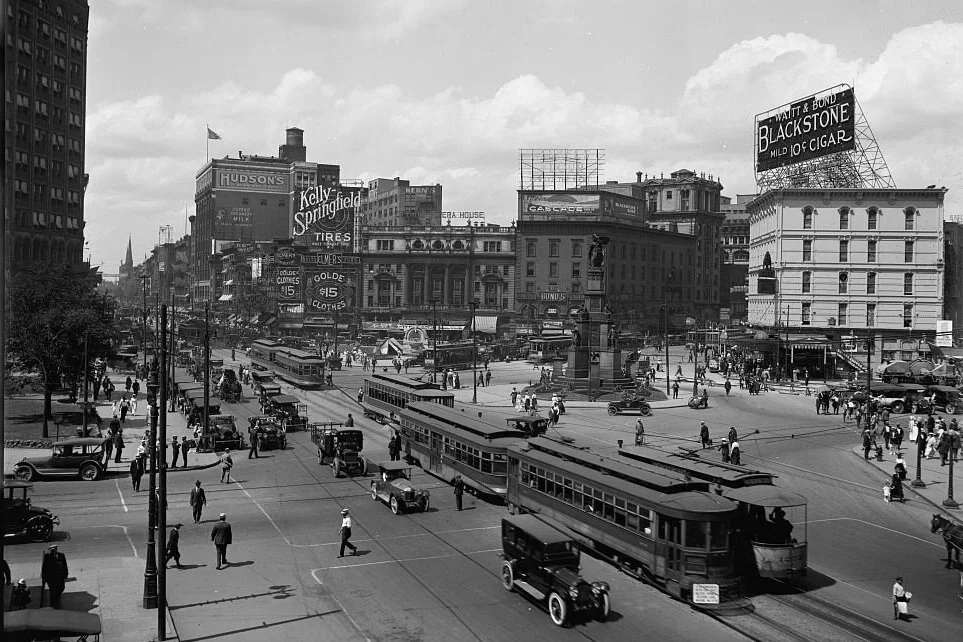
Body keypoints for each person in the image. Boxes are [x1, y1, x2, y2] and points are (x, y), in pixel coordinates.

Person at [41, 544, 68, 609]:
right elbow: (44, 567)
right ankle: (54, 604)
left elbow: (64, 565)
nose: (53, 551)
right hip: (51, 578)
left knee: (61, 588)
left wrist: (66, 574)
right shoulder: (47, 556)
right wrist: (44, 578)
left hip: (60, 577)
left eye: (54, 549)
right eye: (52, 550)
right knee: (53, 591)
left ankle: (57, 600)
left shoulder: (61, 555)